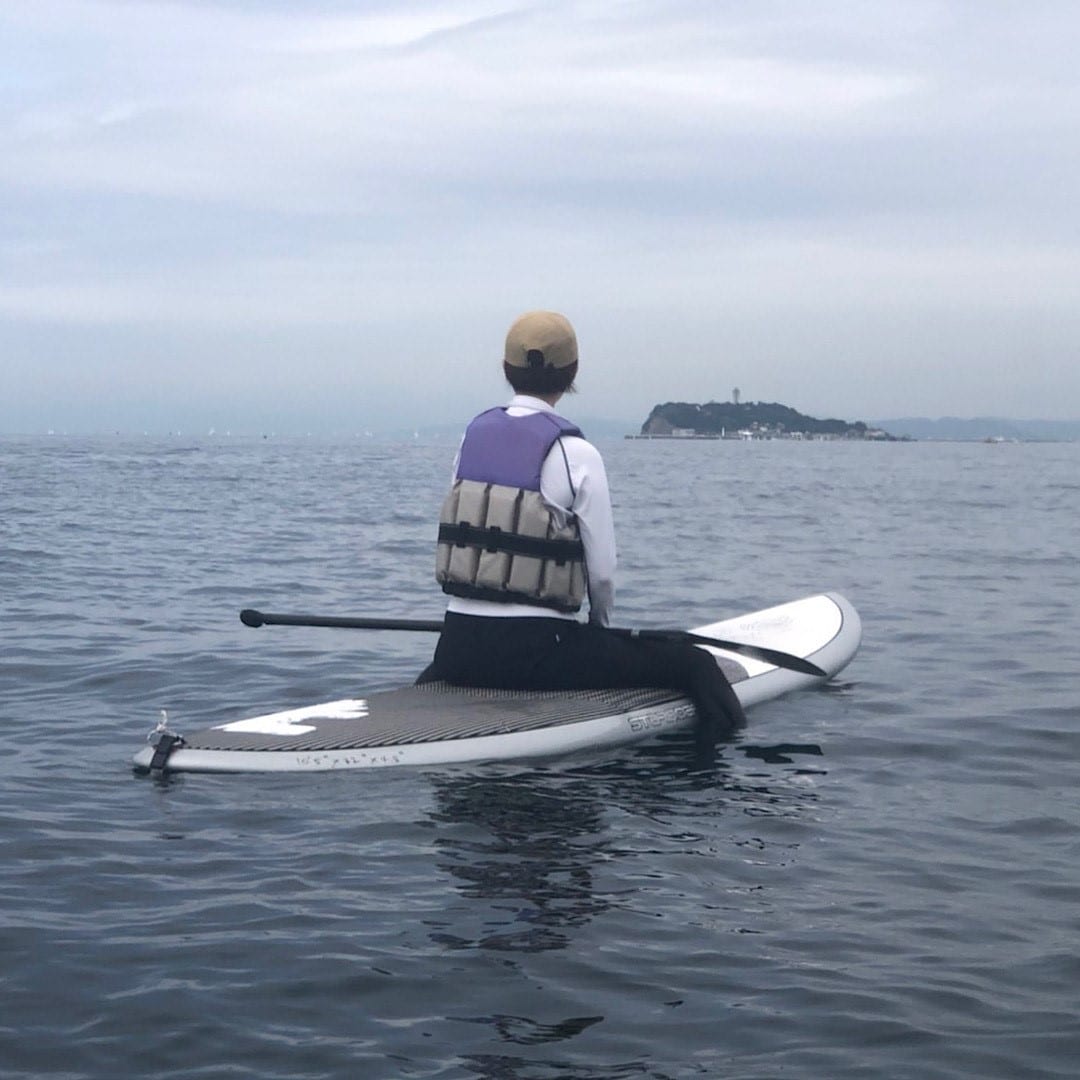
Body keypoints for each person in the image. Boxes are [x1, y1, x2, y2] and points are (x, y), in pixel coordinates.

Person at [418, 310, 746, 744]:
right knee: (695, 665)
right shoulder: (576, 454)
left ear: (505, 369)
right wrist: (600, 632)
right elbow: (602, 573)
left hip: (457, 647)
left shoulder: (470, 438)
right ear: (572, 373)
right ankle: (727, 757)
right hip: (538, 654)